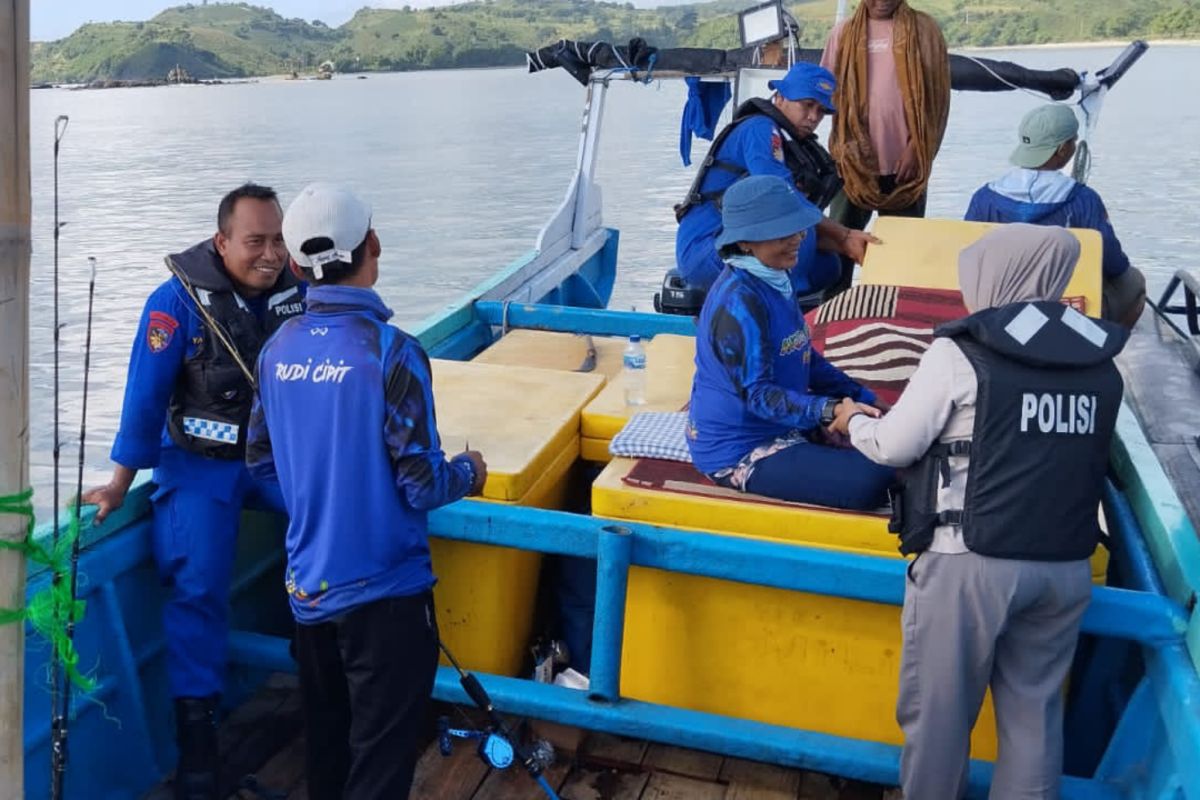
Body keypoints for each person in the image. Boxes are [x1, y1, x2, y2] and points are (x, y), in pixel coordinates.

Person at [832, 225, 1128, 798]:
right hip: (1064, 566)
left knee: (939, 722)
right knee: (1034, 718)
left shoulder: (960, 353)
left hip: (970, 565)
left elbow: (896, 445)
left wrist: (854, 422)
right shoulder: (1101, 364)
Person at [246, 183, 488, 800]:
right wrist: (471, 472)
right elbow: (421, 481)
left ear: (296, 268)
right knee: (381, 757)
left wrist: (321, 488)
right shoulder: (392, 353)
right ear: (373, 246)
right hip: (385, 596)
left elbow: (261, 463)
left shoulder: (275, 351)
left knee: (328, 741)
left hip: (308, 592)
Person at [83, 183, 303, 800]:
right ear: (221, 242)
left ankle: (322, 665)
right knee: (197, 584)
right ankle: (199, 751)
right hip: (199, 465)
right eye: (254, 241)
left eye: (278, 239)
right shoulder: (173, 304)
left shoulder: (301, 292)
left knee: (339, 536)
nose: (269, 254)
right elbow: (144, 397)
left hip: (278, 463)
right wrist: (119, 482)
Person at [686, 174, 894, 511]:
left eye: (798, 227)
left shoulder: (775, 276)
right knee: (874, 479)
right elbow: (759, 395)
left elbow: (801, 354)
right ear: (744, 243)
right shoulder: (739, 304)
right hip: (741, 447)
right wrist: (828, 410)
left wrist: (861, 395)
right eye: (783, 231)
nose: (799, 237)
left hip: (783, 423)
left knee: (898, 445)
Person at [674, 61, 880, 301]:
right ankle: (774, 312)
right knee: (799, 235)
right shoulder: (760, 129)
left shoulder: (791, 139)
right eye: (807, 105)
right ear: (780, 97)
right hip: (705, 248)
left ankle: (784, 304)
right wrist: (844, 236)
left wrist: (845, 245)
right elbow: (782, 200)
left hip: (742, 241)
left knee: (828, 266)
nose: (813, 117)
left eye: (821, 111)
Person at [965, 103, 1146, 328]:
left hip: (998, 304)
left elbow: (969, 252)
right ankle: (1103, 345)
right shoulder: (1082, 199)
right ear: (1062, 150)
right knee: (1134, 281)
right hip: (1067, 303)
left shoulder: (984, 197)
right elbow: (1113, 262)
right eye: (1072, 140)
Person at [821, 0, 951, 293]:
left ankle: (893, 320)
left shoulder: (925, 31)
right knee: (838, 250)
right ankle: (830, 321)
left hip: (908, 168)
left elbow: (937, 98)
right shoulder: (842, 33)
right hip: (851, 166)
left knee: (903, 255)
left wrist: (918, 149)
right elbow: (824, 92)